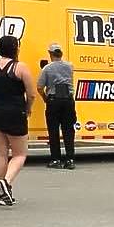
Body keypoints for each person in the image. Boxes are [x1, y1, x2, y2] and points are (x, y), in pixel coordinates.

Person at [0, 34, 36, 206]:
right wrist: (28, 107)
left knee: (1, 153)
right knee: (19, 154)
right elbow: (31, 93)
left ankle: (1, 194)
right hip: (14, 110)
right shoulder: (20, 67)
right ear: (15, 49)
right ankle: (7, 182)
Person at [37, 42, 76, 170]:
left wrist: (45, 98)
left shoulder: (47, 68)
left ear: (50, 54)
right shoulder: (70, 66)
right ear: (61, 54)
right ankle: (70, 159)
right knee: (68, 131)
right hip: (68, 100)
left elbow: (40, 87)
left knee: (53, 131)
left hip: (54, 100)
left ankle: (56, 159)